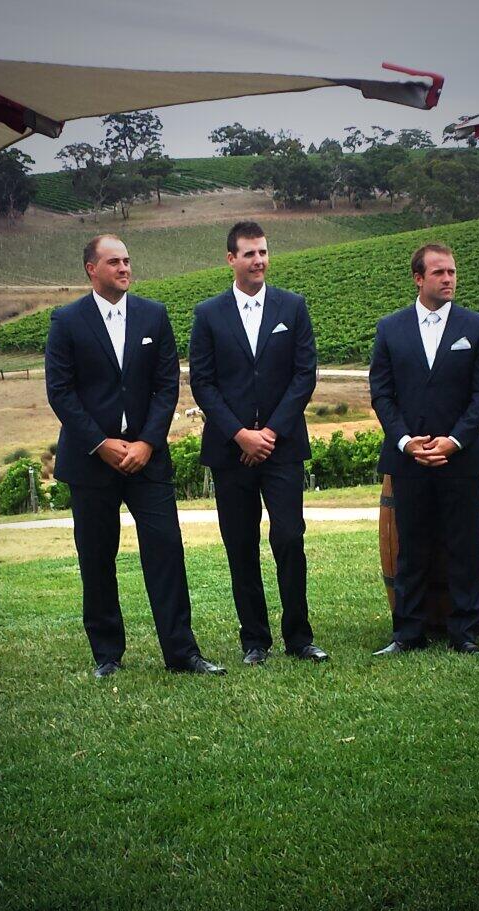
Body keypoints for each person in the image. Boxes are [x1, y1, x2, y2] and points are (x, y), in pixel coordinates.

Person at [45, 234, 225, 678]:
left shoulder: (154, 315)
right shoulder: (66, 321)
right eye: (114, 262)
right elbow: (61, 392)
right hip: (91, 462)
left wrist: (147, 442)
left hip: (148, 460)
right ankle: (107, 655)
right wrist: (101, 444)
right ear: (91, 268)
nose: (125, 268)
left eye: (127, 261)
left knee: (166, 552)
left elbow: (167, 386)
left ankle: (182, 654)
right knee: (97, 557)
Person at [189, 221, 328, 666]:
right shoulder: (207, 314)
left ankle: (299, 637)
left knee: (289, 537)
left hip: (282, 447)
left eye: (264, 252)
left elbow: (305, 374)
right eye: (249, 253)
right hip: (230, 451)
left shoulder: (293, 306)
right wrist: (239, 434)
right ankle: (254, 641)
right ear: (231, 259)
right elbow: (203, 383)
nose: (259, 260)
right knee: (240, 543)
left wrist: (269, 433)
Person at [369, 243, 479, 655]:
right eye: (439, 272)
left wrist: (454, 441)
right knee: (411, 546)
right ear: (418, 278)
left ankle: (464, 632)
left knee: (463, 545)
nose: (448, 279)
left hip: (460, 457)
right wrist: (406, 442)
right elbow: (381, 394)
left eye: (452, 272)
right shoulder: (389, 328)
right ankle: (408, 633)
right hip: (409, 459)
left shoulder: (477, 327)